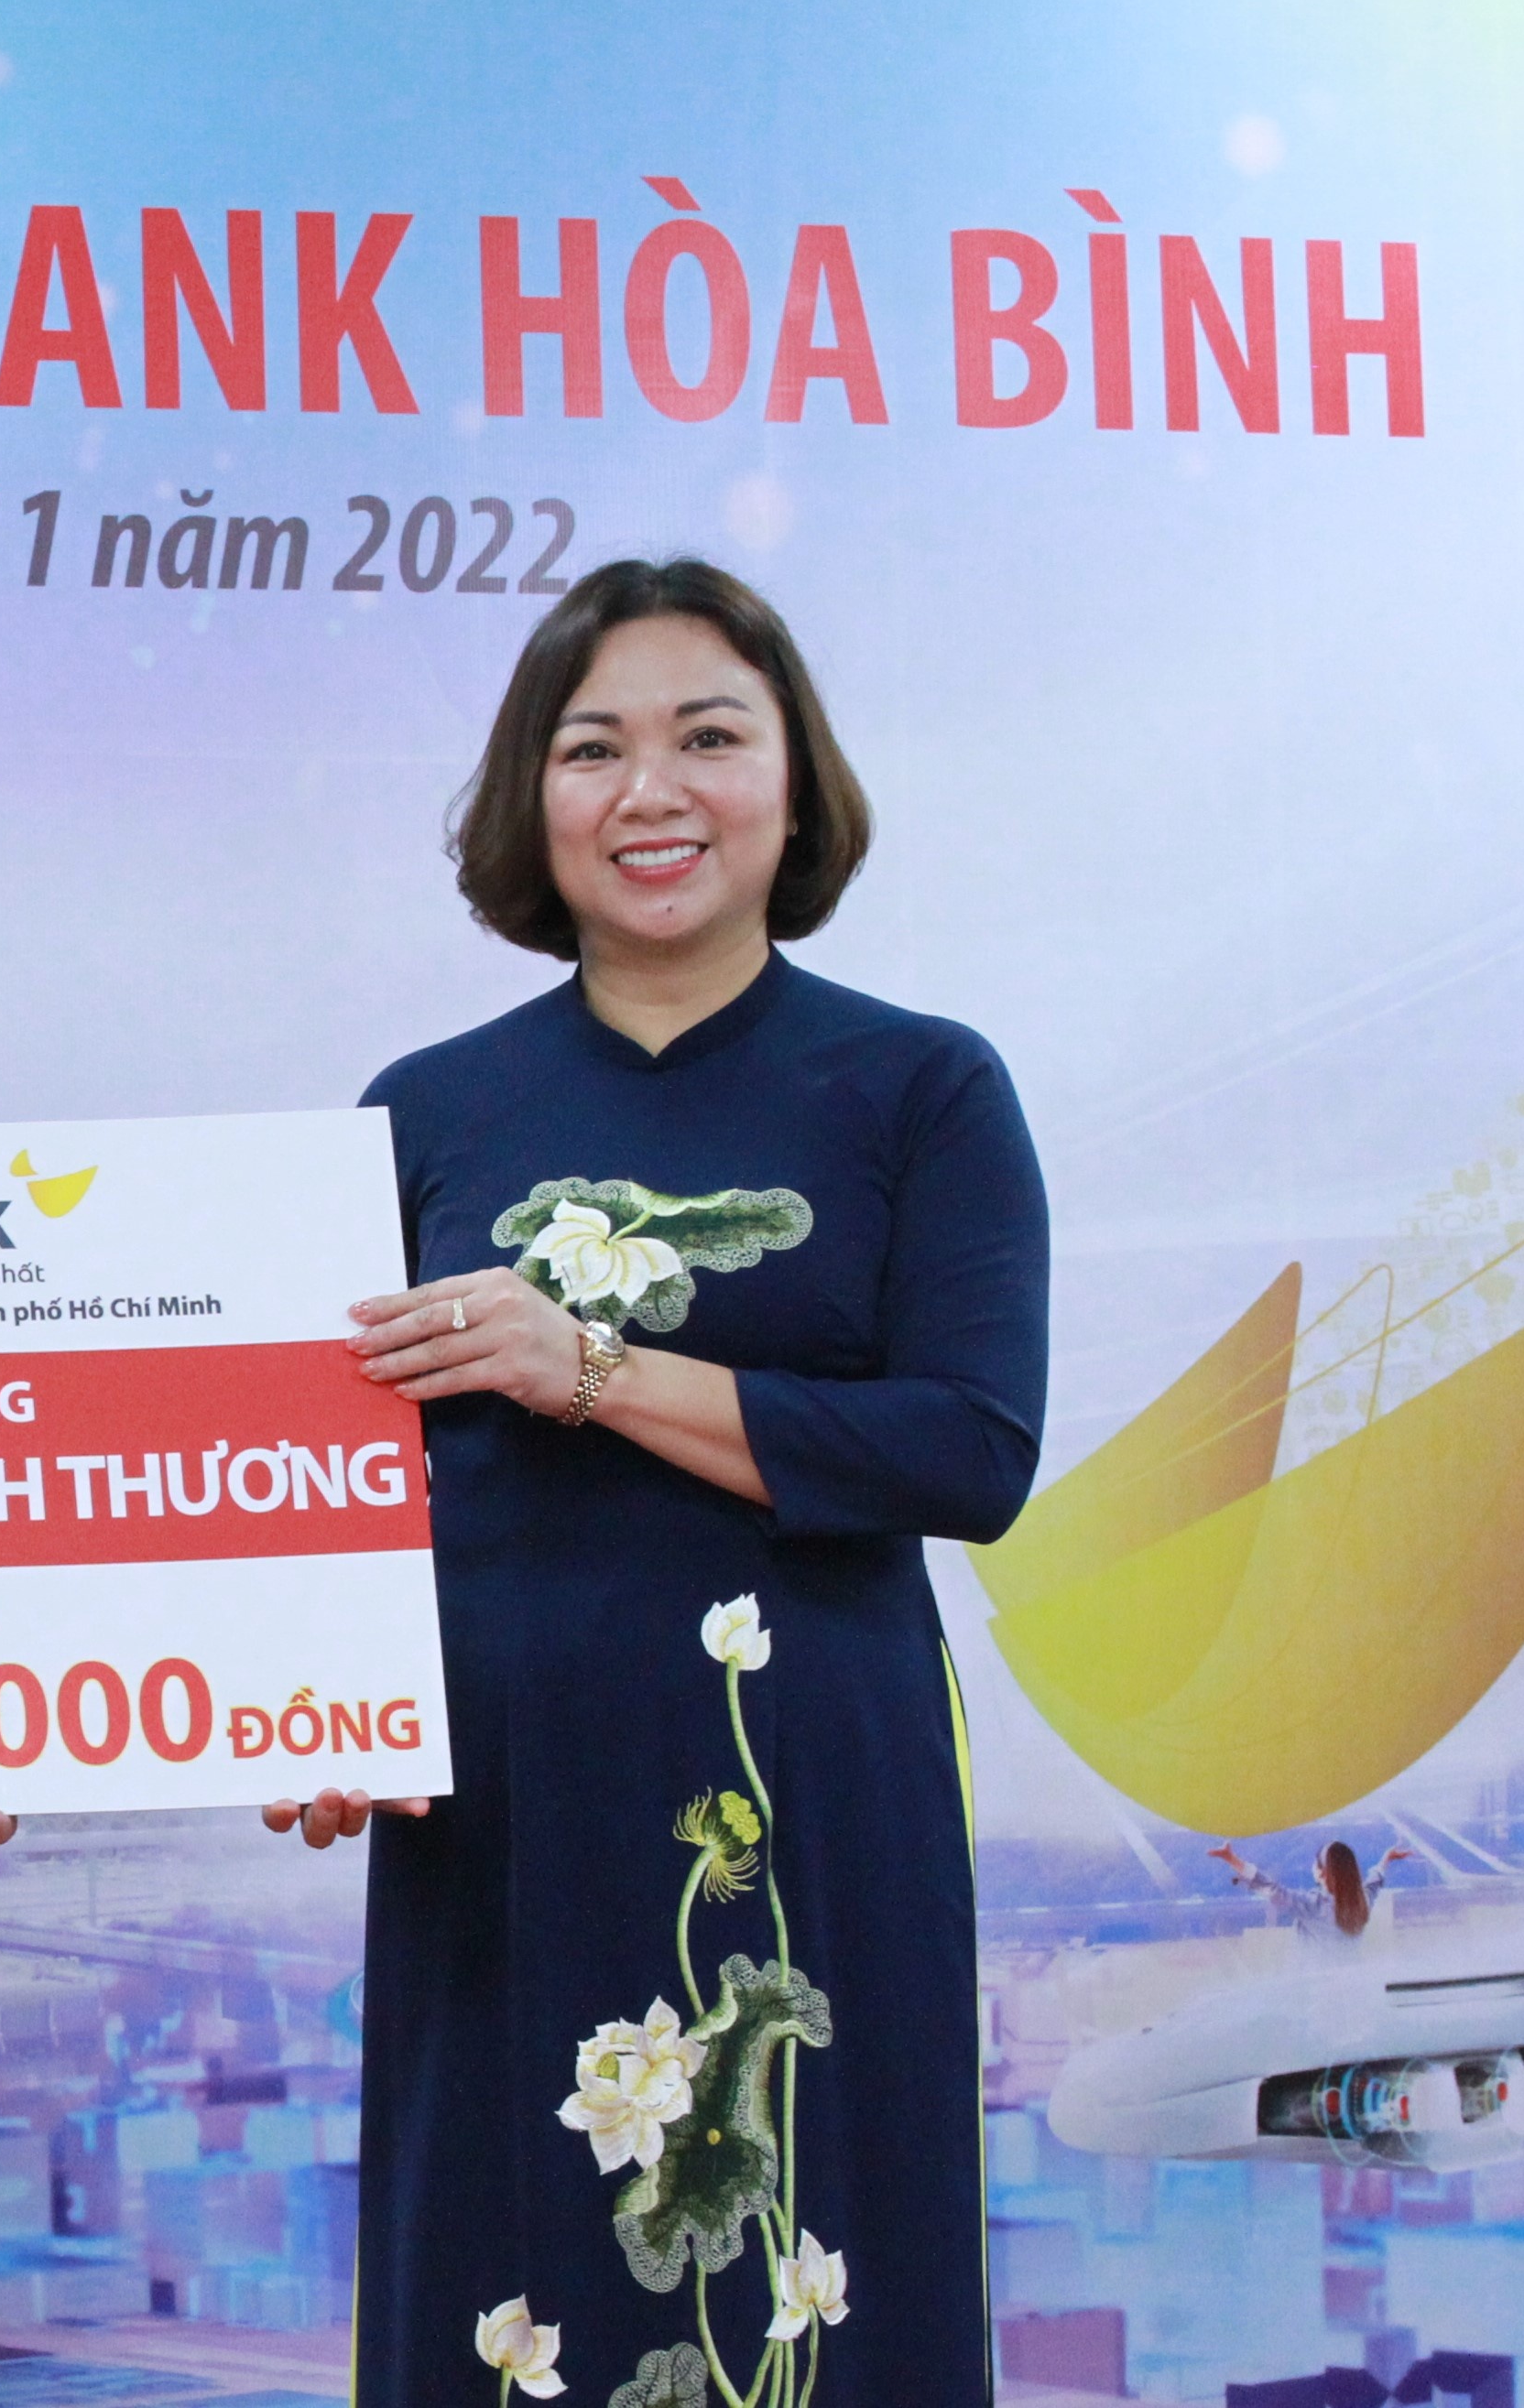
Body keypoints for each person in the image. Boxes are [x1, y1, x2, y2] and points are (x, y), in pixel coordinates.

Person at [285, 559, 1044, 2403]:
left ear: (792, 780)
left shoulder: (922, 1088)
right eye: (591, 748)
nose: (651, 792)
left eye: (707, 737)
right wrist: (312, 1698)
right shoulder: (420, 1109)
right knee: (499, 2274)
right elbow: (330, 1480)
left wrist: (596, 1370)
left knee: (819, 2272)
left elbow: (969, 1447)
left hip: (801, 1794)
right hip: (498, 1801)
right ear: (526, 797)